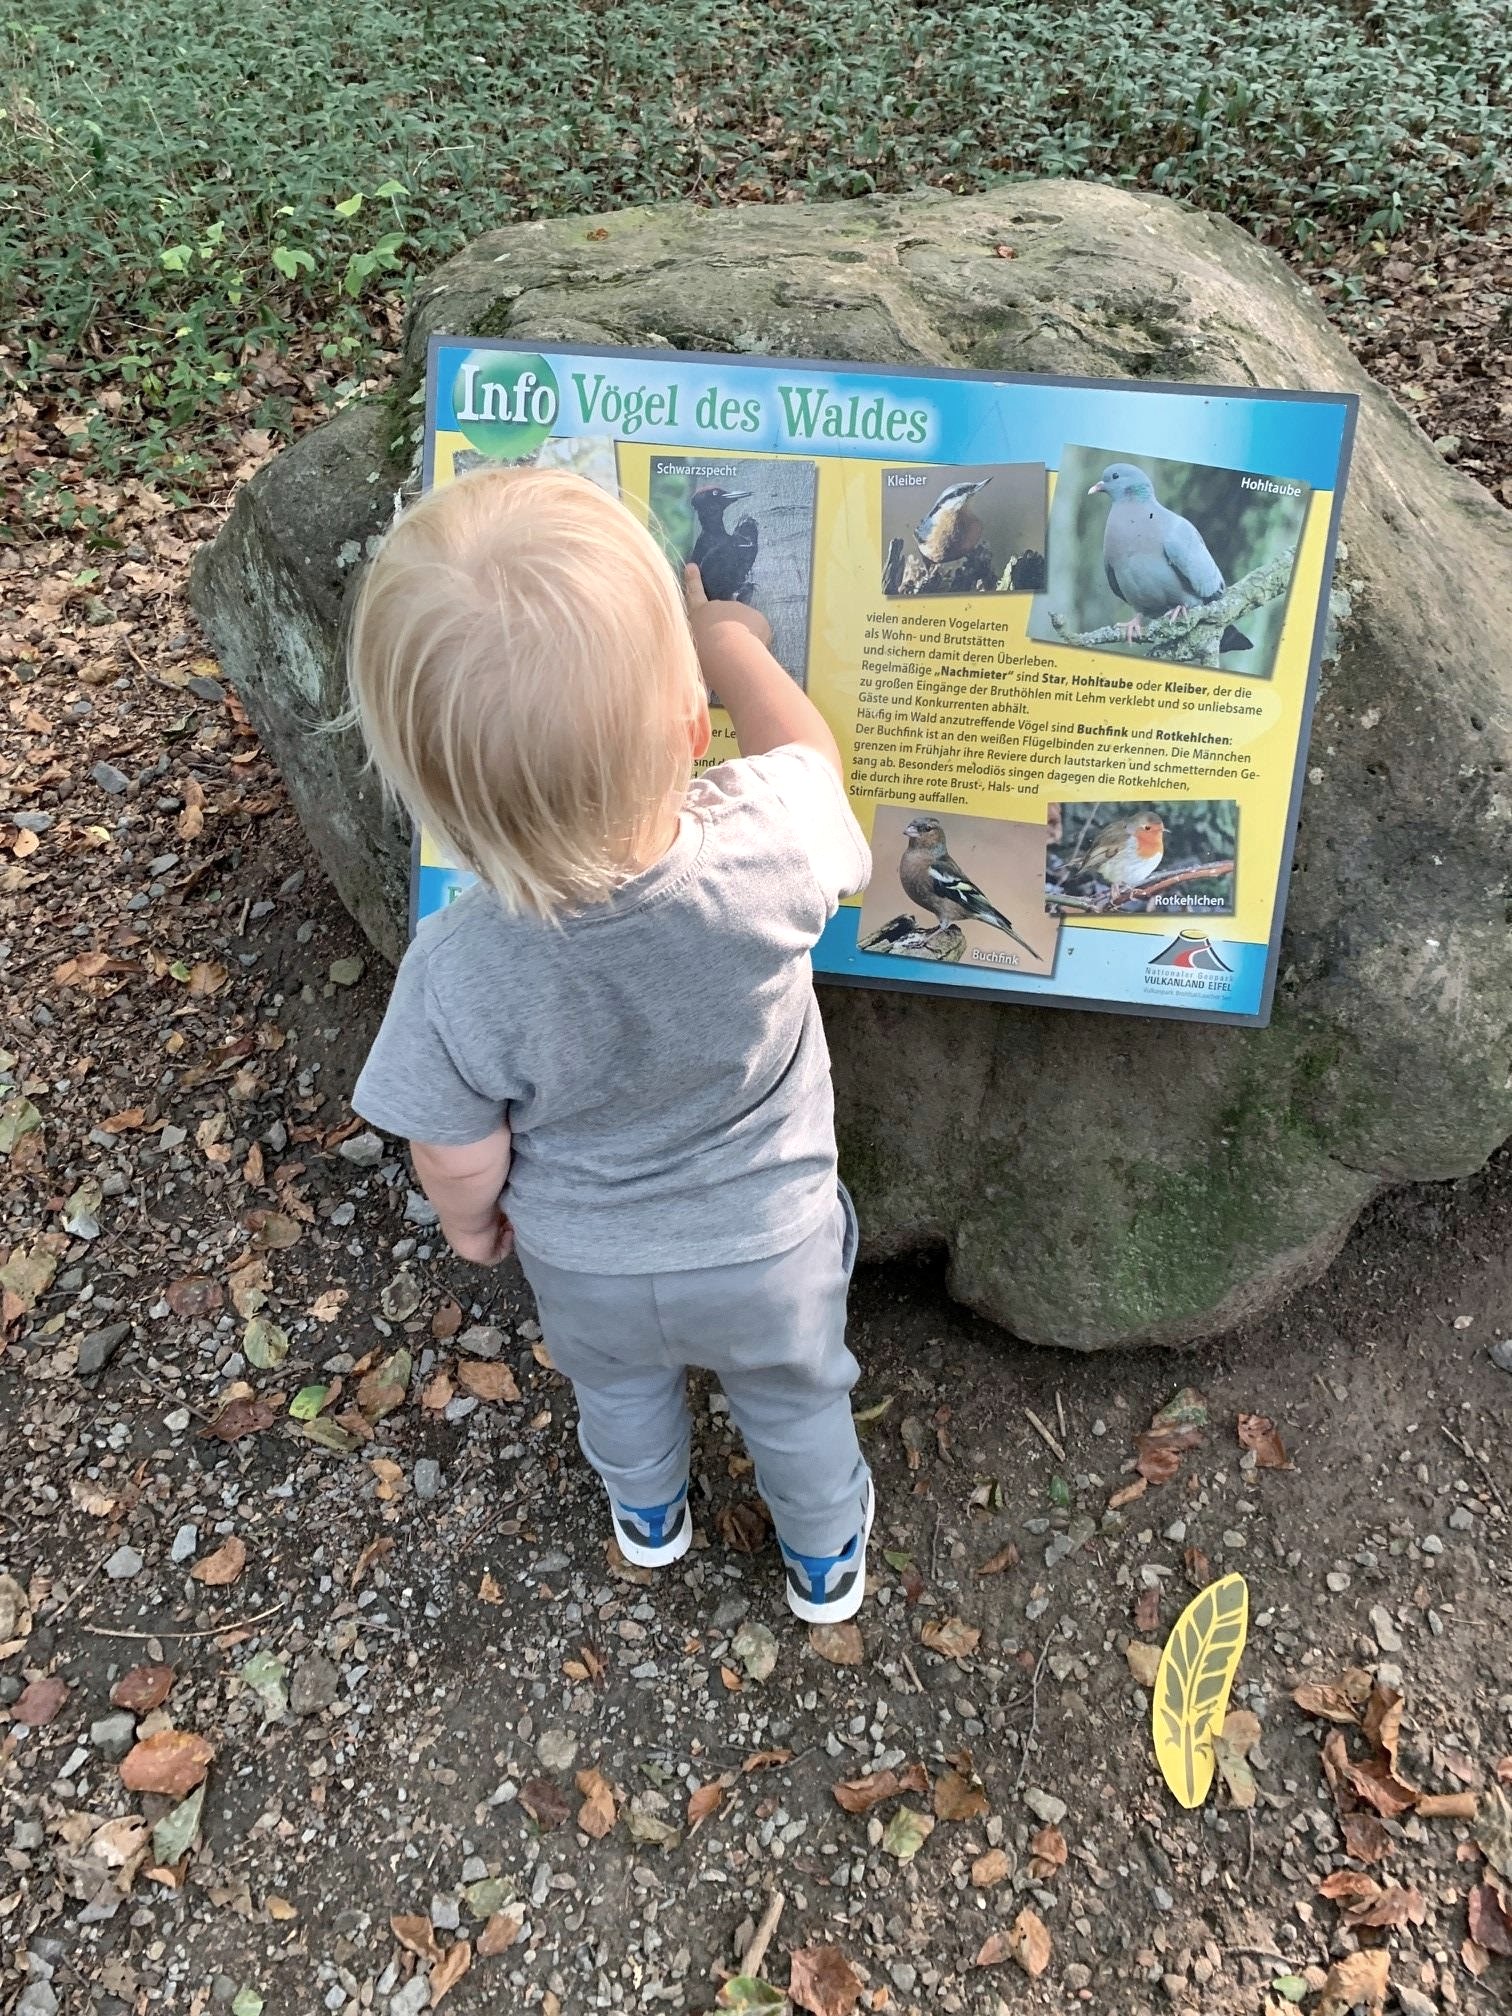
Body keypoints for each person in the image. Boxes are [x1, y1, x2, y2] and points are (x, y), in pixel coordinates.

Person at [347, 467, 875, 1622]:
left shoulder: (456, 965)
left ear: (435, 798)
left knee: (621, 1391)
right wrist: (728, 646)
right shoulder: (769, 846)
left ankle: (648, 1515)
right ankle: (824, 1558)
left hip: (586, 1260)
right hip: (768, 1247)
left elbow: (456, 1148)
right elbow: (813, 763)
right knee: (796, 1398)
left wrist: (471, 1225)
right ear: (690, 724)